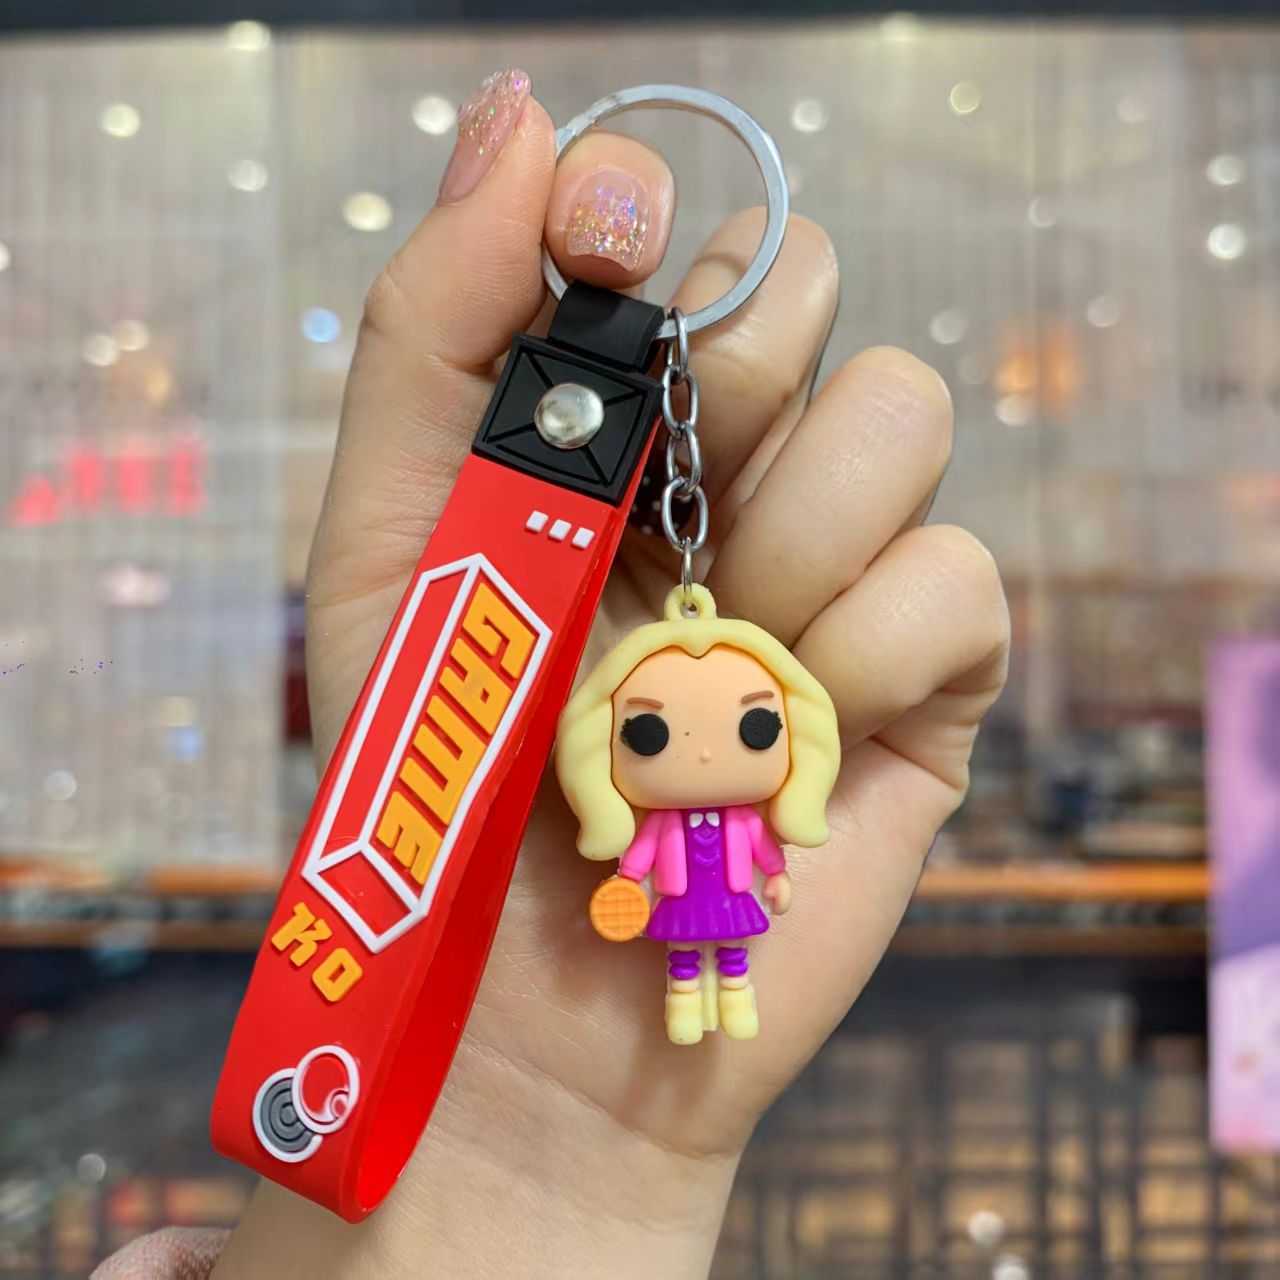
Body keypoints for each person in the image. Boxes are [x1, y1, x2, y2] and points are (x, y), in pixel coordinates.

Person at [96, 67, 1009, 1279]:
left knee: (713, 971)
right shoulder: (542, 718)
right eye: (653, 735)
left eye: (748, 732)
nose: (704, 750)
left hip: (659, 965)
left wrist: (556, 1192)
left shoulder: (713, 787)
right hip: (476, 995)